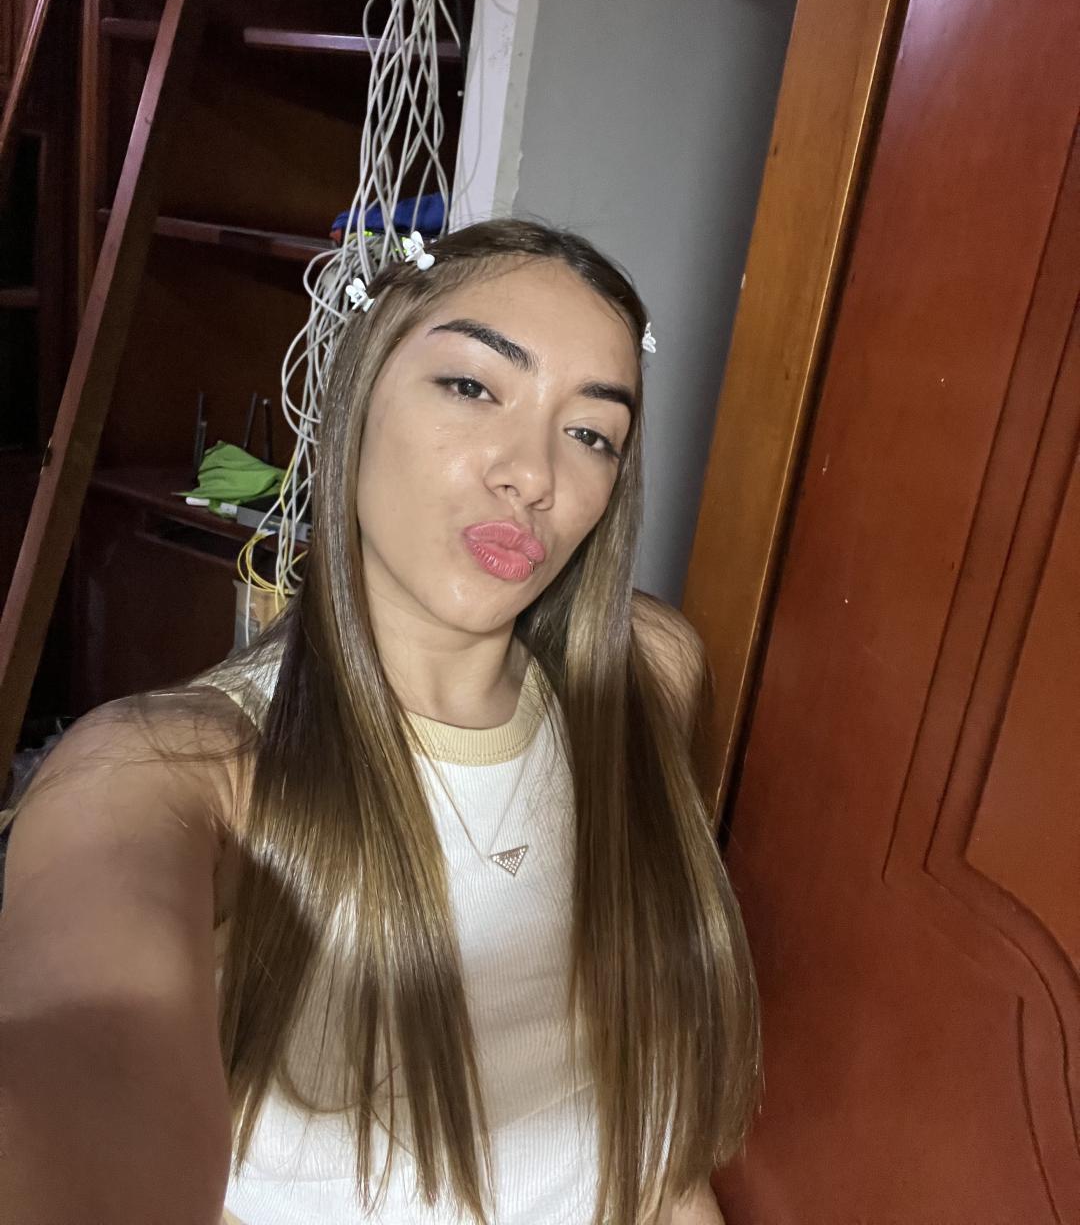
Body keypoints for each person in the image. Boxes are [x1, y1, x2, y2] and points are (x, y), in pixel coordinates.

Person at [0, 220, 760, 1225]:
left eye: (591, 434)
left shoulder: (646, 676)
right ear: (356, 399)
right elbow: (85, 1077)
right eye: (473, 386)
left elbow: (652, 1158)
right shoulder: (172, 770)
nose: (533, 475)